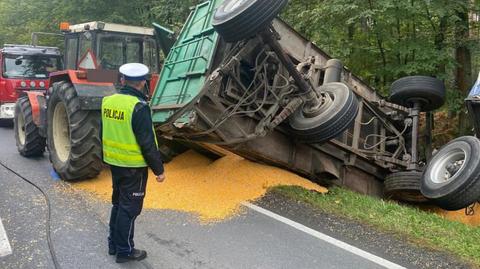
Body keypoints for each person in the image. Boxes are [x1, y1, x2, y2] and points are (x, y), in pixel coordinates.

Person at [101, 63, 165, 263]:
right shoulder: (139, 107)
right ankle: (124, 250)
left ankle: (113, 243)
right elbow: (147, 143)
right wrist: (159, 170)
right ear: (143, 83)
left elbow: (101, 131)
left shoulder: (107, 101)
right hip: (133, 167)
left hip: (114, 162)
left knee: (119, 203)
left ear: (122, 80)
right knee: (129, 209)